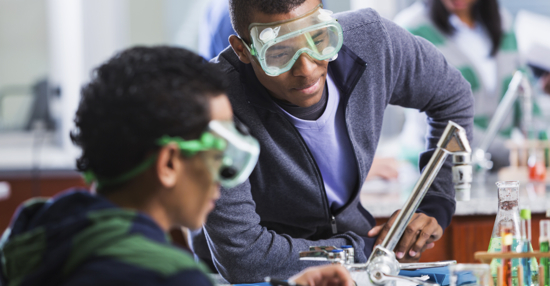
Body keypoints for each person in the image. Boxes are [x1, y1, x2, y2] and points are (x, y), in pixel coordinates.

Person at [0, 46, 354, 286]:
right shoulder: (166, 275)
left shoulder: (37, 228)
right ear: (169, 162)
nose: (223, 178)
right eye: (220, 152)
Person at [191, 0, 475, 283]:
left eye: (318, 39)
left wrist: (436, 200)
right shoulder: (216, 109)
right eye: (279, 52)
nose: (306, 69)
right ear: (243, 50)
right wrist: (356, 250)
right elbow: (245, 258)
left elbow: (452, 96)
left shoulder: (372, 40)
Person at [394, 0, 546, 170]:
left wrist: (542, 144)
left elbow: (526, 98)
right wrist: (510, 152)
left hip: (497, 168)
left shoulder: (502, 22)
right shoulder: (412, 29)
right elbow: (434, 122)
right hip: (435, 169)